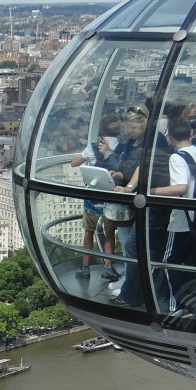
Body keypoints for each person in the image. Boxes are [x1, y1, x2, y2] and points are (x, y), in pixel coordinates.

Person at [153, 117, 196, 316]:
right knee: (192, 262)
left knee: (170, 261)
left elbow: (181, 187)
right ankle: (192, 302)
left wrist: (152, 191)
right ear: (190, 133)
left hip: (182, 219)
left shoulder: (176, 157)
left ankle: (176, 306)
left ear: (169, 137)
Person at [105, 104, 150, 306]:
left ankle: (133, 293)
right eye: (128, 127)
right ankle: (132, 285)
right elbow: (127, 169)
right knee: (128, 247)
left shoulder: (150, 146)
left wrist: (130, 187)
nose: (130, 132)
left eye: (134, 127)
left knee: (133, 247)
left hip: (141, 203)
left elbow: (143, 168)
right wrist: (118, 175)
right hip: (127, 203)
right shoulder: (128, 144)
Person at [70, 113, 122, 283]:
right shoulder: (121, 147)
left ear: (101, 129)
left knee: (88, 231)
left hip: (93, 196)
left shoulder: (93, 147)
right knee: (109, 232)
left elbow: (75, 162)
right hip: (111, 195)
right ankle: (108, 266)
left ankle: (85, 267)